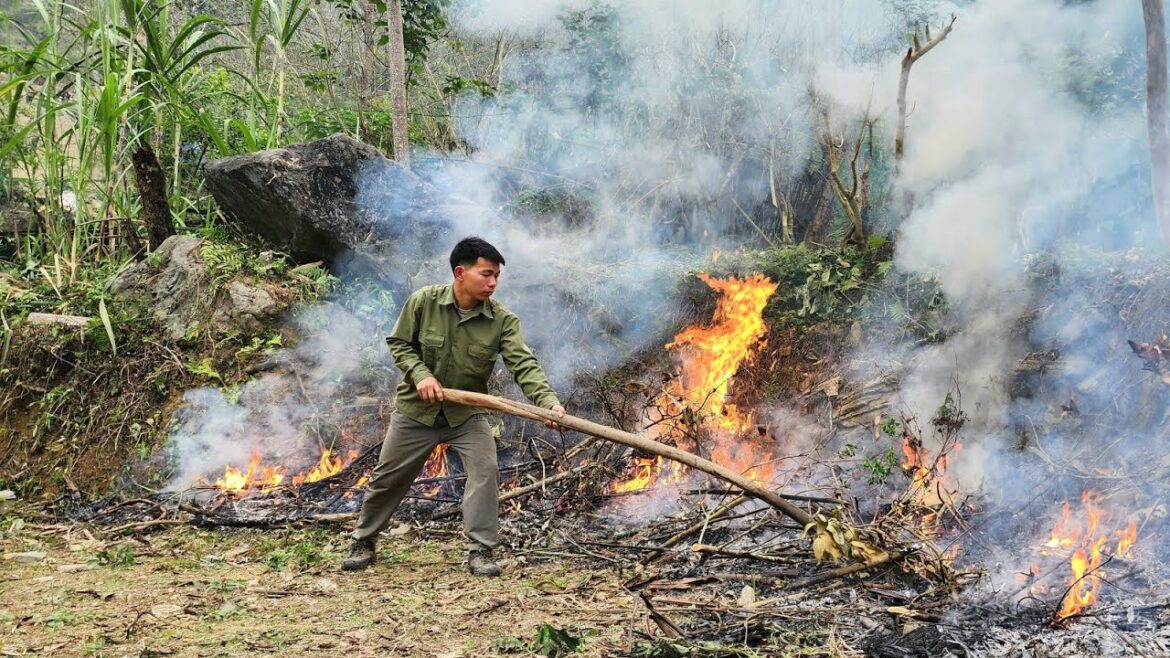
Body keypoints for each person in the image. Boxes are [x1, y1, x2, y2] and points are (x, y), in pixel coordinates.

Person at [341, 236, 565, 576]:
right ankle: (364, 540)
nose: (493, 283)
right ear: (460, 273)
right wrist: (421, 375)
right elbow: (399, 344)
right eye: (486, 274)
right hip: (416, 411)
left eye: (497, 276)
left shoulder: (502, 321)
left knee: (485, 471)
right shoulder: (424, 302)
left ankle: (481, 550)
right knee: (388, 477)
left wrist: (548, 404)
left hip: (467, 414)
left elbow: (524, 365)